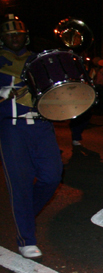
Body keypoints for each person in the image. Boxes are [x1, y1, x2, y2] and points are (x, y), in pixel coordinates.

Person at [0, 14, 63, 259]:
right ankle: (26, 238)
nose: (15, 38)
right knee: (21, 183)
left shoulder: (38, 60)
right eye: (9, 34)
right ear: (3, 37)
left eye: (19, 34)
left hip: (42, 125)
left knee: (52, 176)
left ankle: (24, 214)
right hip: (12, 127)